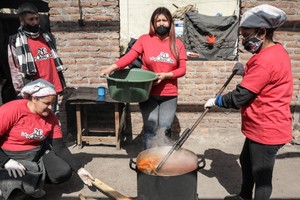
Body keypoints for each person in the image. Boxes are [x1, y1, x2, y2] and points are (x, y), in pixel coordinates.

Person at [204, 4, 292, 200]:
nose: (244, 41)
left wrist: (216, 100)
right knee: (245, 160)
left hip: (267, 128)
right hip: (259, 124)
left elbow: (239, 97)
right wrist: (246, 71)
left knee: (261, 177)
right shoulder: (275, 51)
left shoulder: (265, 60)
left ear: (262, 32)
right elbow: (267, 78)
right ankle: (244, 196)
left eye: (246, 35)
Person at [100, 7, 187, 149]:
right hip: (147, 93)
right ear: (153, 23)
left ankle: (163, 162)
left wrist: (166, 75)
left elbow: (182, 69)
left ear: (170, 23)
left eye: (164, 20)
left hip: (169, 94)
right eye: (157, 20)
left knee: (165, 129)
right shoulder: (144, 40)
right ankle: (148, 162)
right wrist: (111, 68)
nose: (161, 23)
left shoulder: (178, 44)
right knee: (150, 128)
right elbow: (129, 57)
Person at [0, 79, 94, 199]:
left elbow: (59, 147)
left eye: (52, 103)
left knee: (62, 172)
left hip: (36, 153)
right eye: (46, 103)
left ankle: (32, 180)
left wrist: (79, 169)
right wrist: (6, 161)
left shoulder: (51, 118)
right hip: (9, 155)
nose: (50, 107)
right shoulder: (11, 110)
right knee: (16, 193)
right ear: (34, 99)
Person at [7, 2, 66, 112]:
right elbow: (15, 69)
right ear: (22, 20)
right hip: (34, 89)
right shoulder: (15, 41)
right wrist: (21, 92)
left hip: (52, 86)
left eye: (36, 18)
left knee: (52, 119)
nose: (35, 22)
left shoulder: (48, 37)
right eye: (31, 19)